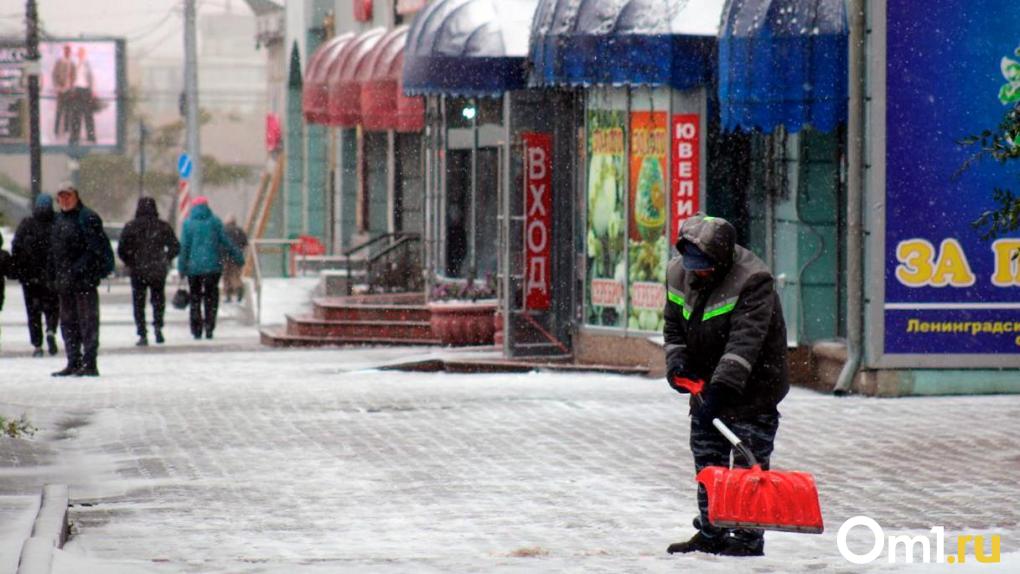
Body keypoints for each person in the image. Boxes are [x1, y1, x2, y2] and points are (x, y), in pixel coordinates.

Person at [663, 215, 789, 558]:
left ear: (721, 260)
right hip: (705, 385)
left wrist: (720, 392)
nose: (697, 273)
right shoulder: (677, 274)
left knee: (749, 465)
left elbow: (744, 344)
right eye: (693, 266)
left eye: (704, 267)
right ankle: (712, 531)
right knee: (707, 461)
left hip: (753, 389)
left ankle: (748, 537)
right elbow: (674, 329)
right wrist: (677, 364)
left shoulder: (753, 280)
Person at [49, 184, 114, 377]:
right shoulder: (58, 220)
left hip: (84, 280)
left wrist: (78, 269)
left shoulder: (87, 218)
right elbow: (54, 251)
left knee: (87, 321)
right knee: (68, 322)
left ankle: (90, 363)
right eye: (61, 197)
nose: (65, 200)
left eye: (68, 196)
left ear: (76, 197)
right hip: (65, 281)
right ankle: (73, 361)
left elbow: (94, 249)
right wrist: (54, 274)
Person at [178, 197, 243, 340]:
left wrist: (181, 268)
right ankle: (209, 326)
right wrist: (238, 257)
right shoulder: (215, 222)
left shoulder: (188, 224)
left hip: (194, 269)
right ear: (207, 206)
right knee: (211, 298)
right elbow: (226, 242)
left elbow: (184, 248)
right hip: (213, 268)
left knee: (195, 298)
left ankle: (196, 328)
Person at [118, 197, 180, 347]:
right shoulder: (162, 226)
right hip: (157, 269)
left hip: (138, 270)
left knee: (139, 302)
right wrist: (166, 258)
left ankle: (142, 333)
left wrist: (130, 261)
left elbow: (121, 249)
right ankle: (158, 327)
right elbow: (175, 246)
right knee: (158, 300)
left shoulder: (131, 227)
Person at [11, 193, 60, 357]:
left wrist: (19, 269)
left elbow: (16, 248)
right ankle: (51, 329)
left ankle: (37, 345)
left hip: (30, 277)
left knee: (33, 312)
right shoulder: (57, 223)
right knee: (53, 307)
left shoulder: (27, 224)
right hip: (52, 276)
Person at [68, 46, 96, 145]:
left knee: (88, 114)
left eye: (82, 52)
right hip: (76, 90)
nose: (81, 54)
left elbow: (91, 77)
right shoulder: (74, 63)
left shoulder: (87, 63)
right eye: (79, 52)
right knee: (76, 114)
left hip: (86, 90)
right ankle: (74, 137)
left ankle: (91, 136)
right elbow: (71, 76)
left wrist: (93, 90)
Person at [221, 215, 248, 303]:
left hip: (225, 257)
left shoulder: (223, 230)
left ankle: (228, 295)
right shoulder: (239, 230)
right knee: (235, 275)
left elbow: (219, 244)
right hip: (237, 257)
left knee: (226, 276)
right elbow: (245, 243)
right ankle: (238, 287)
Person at [51, 44, 74, 136]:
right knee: (59, 111)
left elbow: (74, 76)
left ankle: (66, 130)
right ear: (64, 51)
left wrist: (72, 86)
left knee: (68, 111)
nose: (67, 53)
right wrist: (57, 87)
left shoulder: (72, 63)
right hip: (61, 90)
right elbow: (54, 74)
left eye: (69, 51)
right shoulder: (59, 62)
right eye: (66, 51)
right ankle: (56, 131)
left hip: (69, 90)